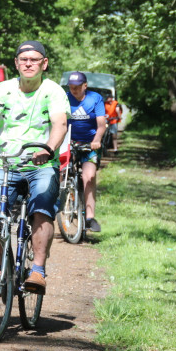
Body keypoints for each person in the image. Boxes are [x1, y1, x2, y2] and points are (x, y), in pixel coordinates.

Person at [0, 40, 68, 294]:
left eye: (34, 59)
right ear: (16, 63)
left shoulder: (53, 91)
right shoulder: (3, 89)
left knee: (41, 208)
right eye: (24, 59)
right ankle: (0, 268)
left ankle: (37, 270)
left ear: (44, 64)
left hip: (41, 164)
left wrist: (48, 148)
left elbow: (59, 124)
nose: (29, 63)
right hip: (7, 165)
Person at [65, 71, 106, 233]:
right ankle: (59, 205)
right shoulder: (65, 98)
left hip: (90, 143)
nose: (73, 90)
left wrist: (96, 140)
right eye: (71, 87)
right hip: (69, 142)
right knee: (60, 173)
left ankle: (89, 217)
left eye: (77, 87)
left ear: (85, 86)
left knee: (89, 177)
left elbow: (101, 124)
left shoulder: (95, 98)